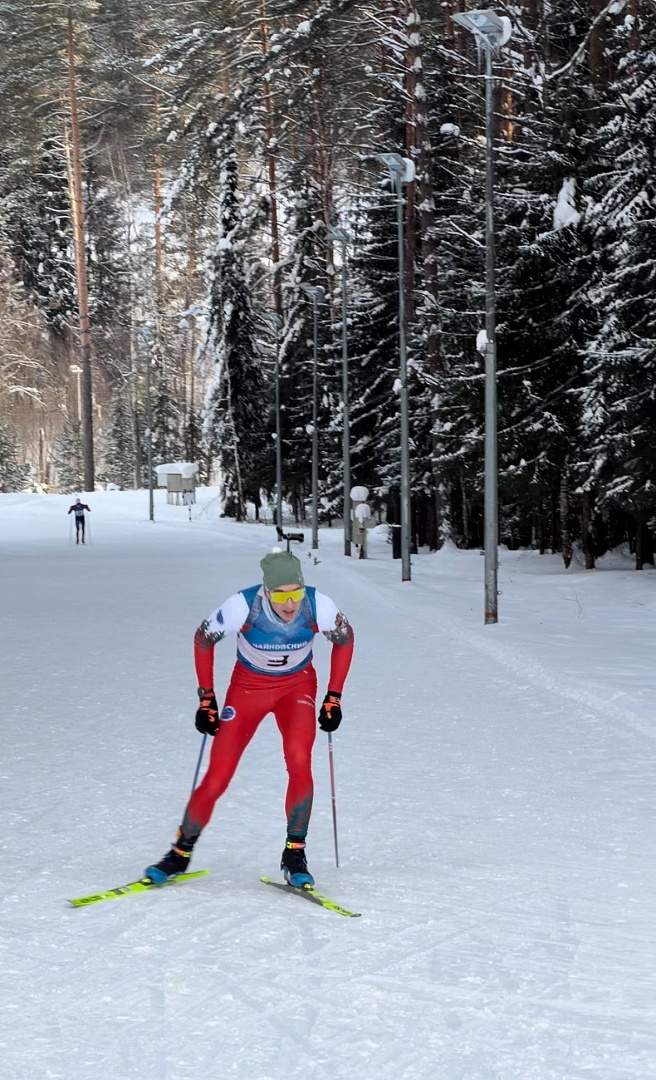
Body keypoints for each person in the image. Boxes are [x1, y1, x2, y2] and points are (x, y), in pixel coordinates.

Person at [146, 549, 354, 887]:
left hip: (296, 687)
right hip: (248, 689)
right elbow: (203, 640)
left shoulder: (319, 605)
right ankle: (179, 854)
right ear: (266, 591)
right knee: (218, 775)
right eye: (281, 595)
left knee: (300, 761)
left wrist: (334, 696)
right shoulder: (242, 606)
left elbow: (345, 640)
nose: (290, 604)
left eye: (296, 593)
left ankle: (295, 852)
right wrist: (206, 699)